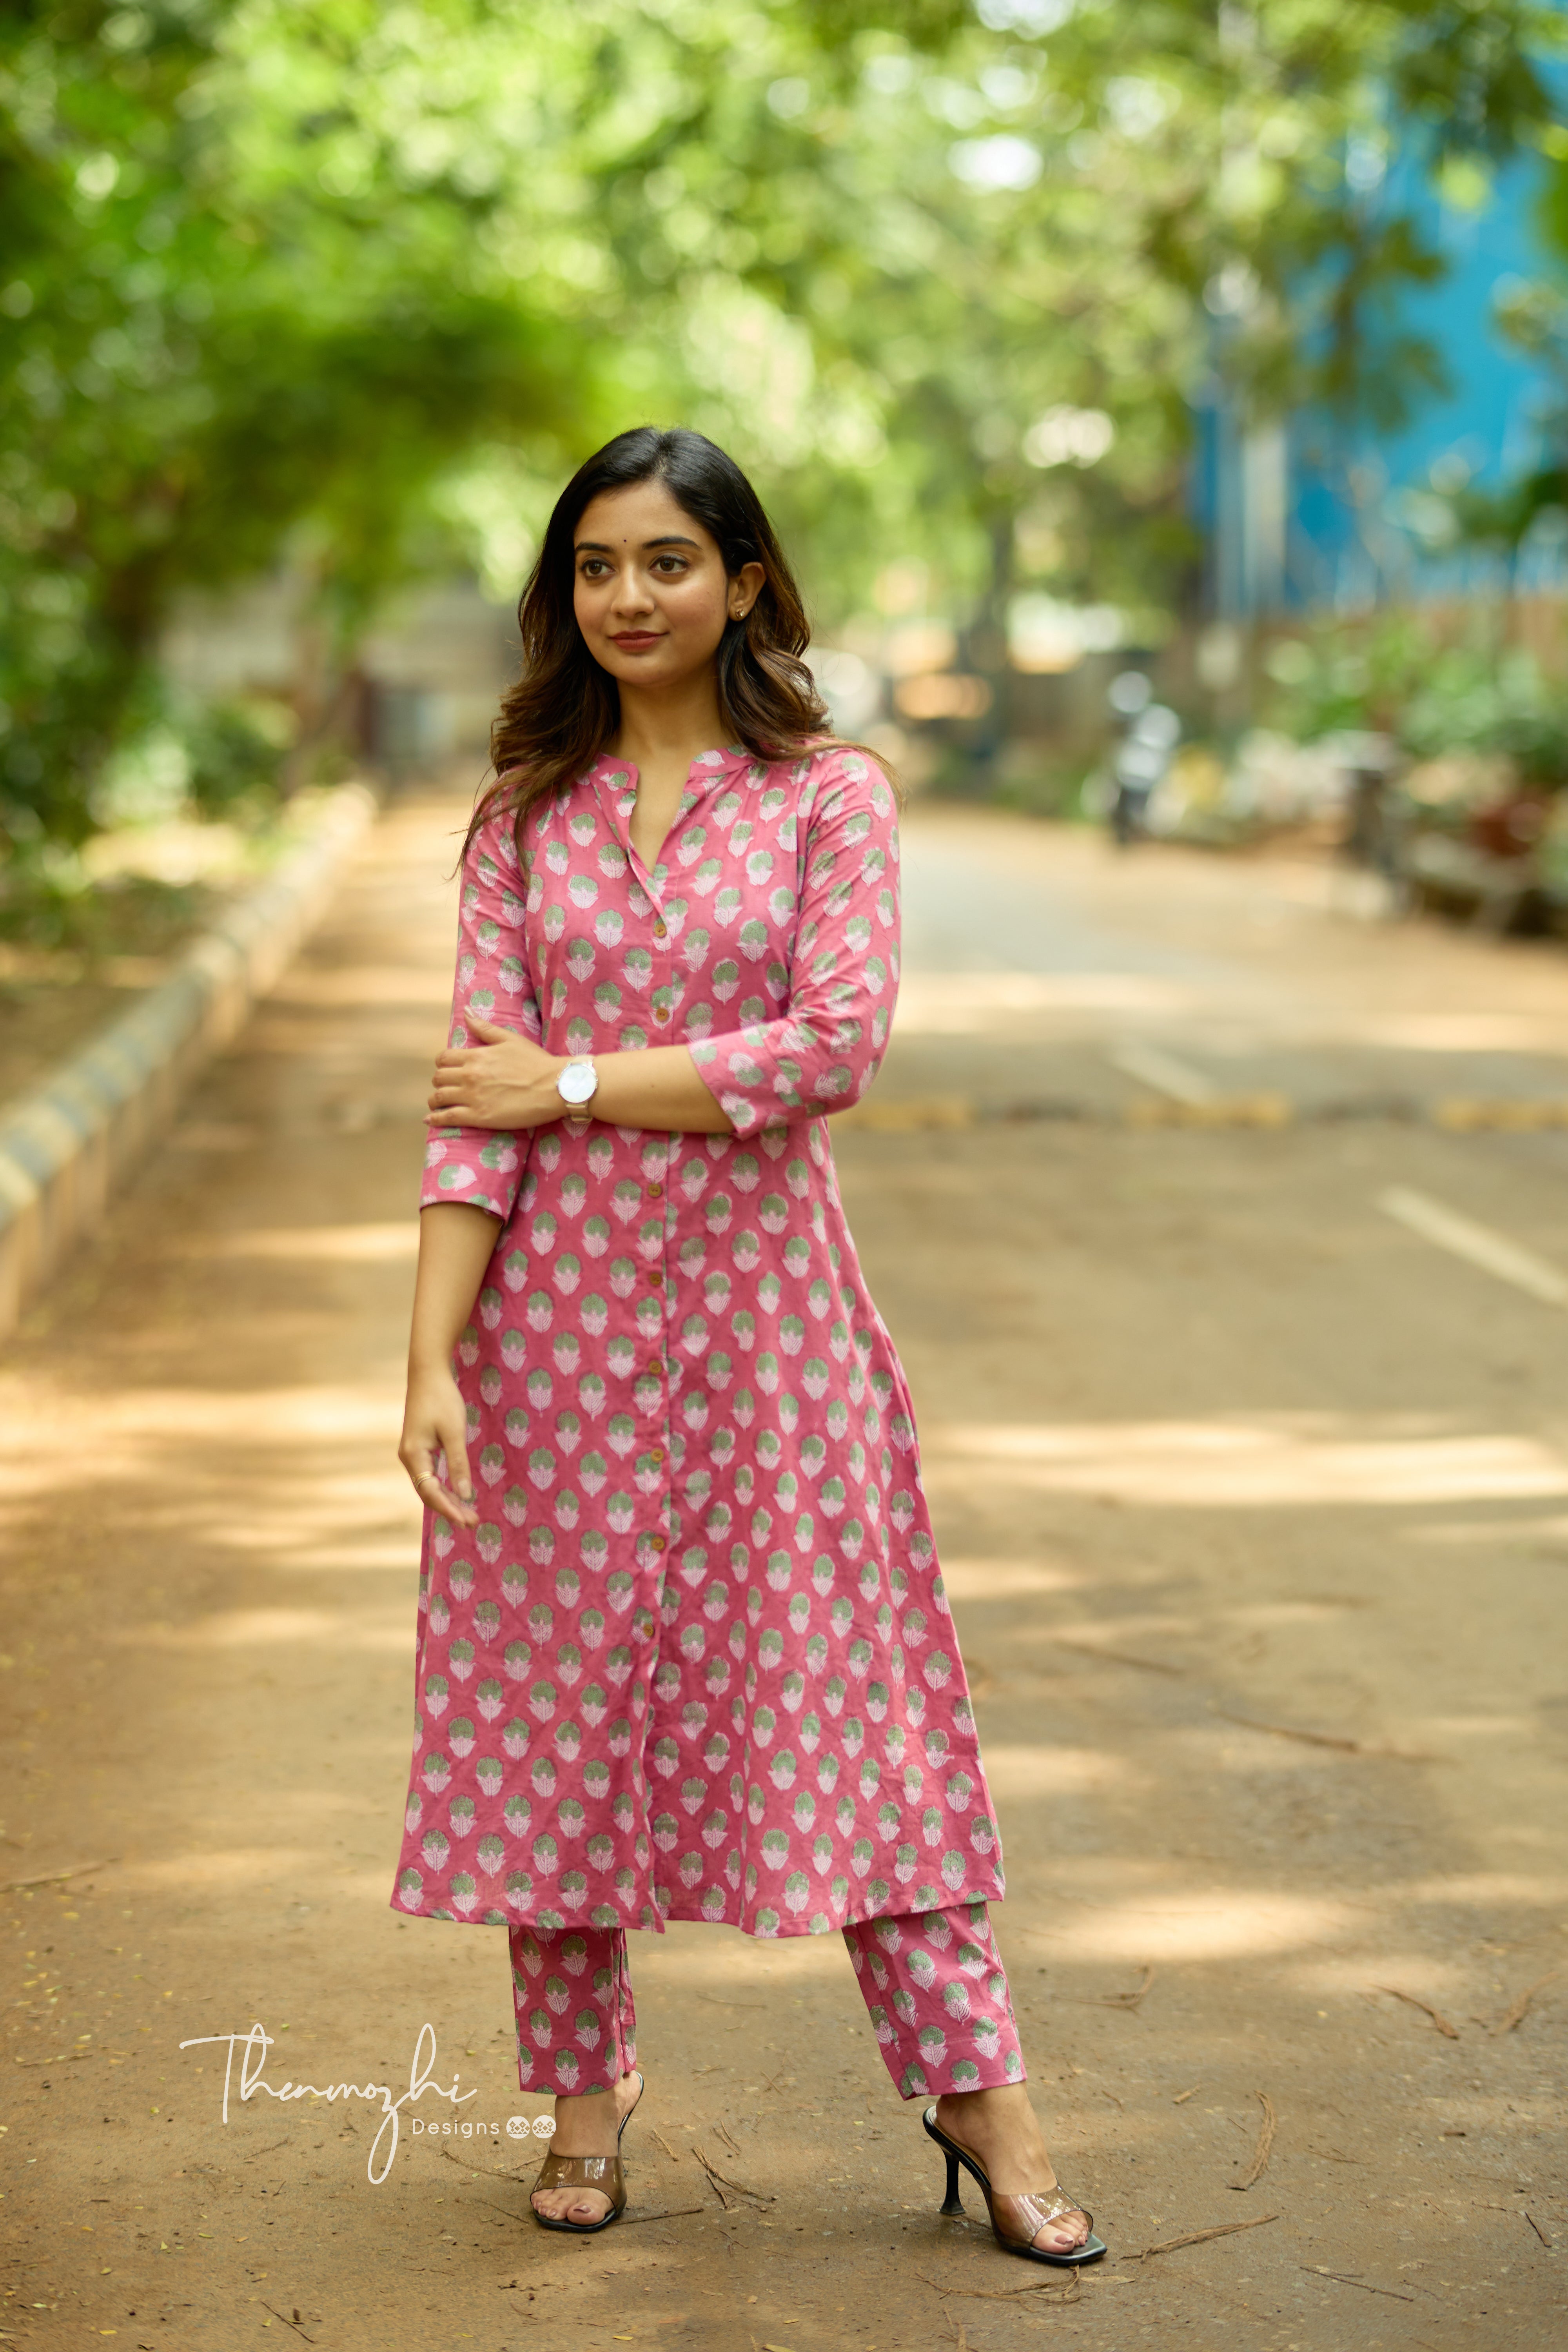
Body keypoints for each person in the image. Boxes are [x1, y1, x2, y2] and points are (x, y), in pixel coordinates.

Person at [392, 425, 1104, 2268]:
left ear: (747, 584)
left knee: (863, 1719)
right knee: (546, 1724)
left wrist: (570, 1081)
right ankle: (579, 2095)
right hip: (547, 1339)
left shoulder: (825, 802)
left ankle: (980, 2100)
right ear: (563, 593)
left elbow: (831, 1049)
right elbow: (466, 1111)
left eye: (667, 563)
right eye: (596, 567)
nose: (628, 598)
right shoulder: (516, 823)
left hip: (762, 1342)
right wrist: (429, 1364)